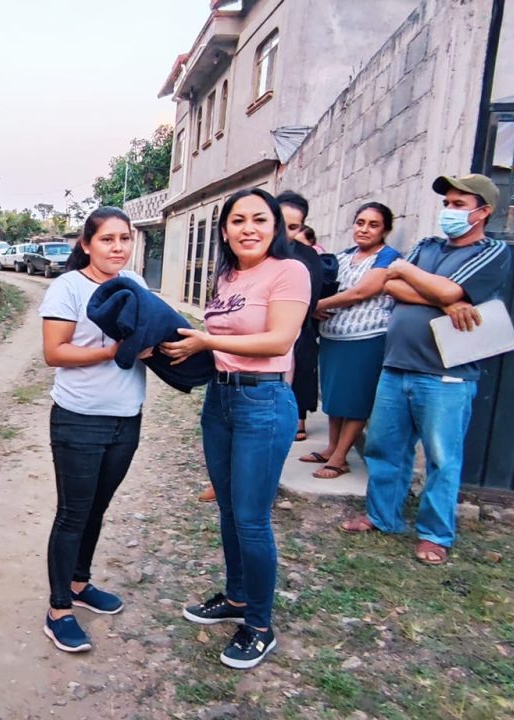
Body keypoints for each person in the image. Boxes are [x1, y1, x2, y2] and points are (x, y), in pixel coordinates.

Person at [161, 188, 310, 670]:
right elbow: (218, 341)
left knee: (251, 517)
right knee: (228, 508)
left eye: (259, 219)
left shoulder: (290, 271)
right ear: (224, 230)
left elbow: (280, 339)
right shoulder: (227, 274)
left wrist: (206, 339)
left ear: (276, 227)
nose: (249, 228)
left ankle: (260, 626)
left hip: (263, 400)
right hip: (220, 398)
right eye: (238, 220)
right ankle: (238, 597)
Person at [340, 174, 512, 566]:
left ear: (482, 212)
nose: (448, 211)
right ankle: (382, 516)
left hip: (446, 375)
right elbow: (388, 283)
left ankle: (435, 534)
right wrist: (443, 296)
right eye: (447, 203)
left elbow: (445, 289)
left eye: (458, 205)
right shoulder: (428, 246)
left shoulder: (492, 251)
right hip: (397, 365)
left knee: (441, 457)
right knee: (385, 448)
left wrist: (429, 284)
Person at [38, 207, 148, 654]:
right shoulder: (67, 287)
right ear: (87, 244)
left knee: (98, 507)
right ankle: (58, 609)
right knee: (73, 513)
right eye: (107, 239)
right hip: (79, 418)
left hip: (127, 416)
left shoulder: (136, 283)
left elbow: (150, 339)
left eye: (124, 238)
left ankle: (80, 584)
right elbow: (54, 352)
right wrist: (115, 352)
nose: (117, 247)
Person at [303, 203, 403, 478]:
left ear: (385, 230)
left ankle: (340, 457)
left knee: (356, 399)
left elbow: (362, 292)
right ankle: (331, 447)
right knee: (335, 397)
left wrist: (315, 304)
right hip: (334, 337)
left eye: (373, 224)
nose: (364, 229)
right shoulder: (345, 256)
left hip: (366, 339)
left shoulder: (388, 258)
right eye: (360, 222)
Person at [274, 191, 330, 446]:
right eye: (280, 222)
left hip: (295, 330)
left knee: (298, 376)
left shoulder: (307, 257)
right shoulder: (250, 252)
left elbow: (312, 296)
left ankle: (296, 420)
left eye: (293, 226)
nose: (285, 231)